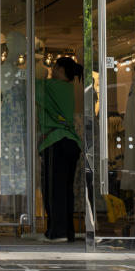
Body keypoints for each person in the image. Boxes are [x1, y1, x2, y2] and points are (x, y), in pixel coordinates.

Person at [36, 56, 83, 242]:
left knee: (53, 189)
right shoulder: (69, 88)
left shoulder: (54, 86)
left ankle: (57, 232)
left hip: (57, 141)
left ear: (61, 70)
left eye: (54, 67)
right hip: (70, 142)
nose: (51, 71)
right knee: (65, 190)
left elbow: (34, 88)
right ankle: (67, 231)